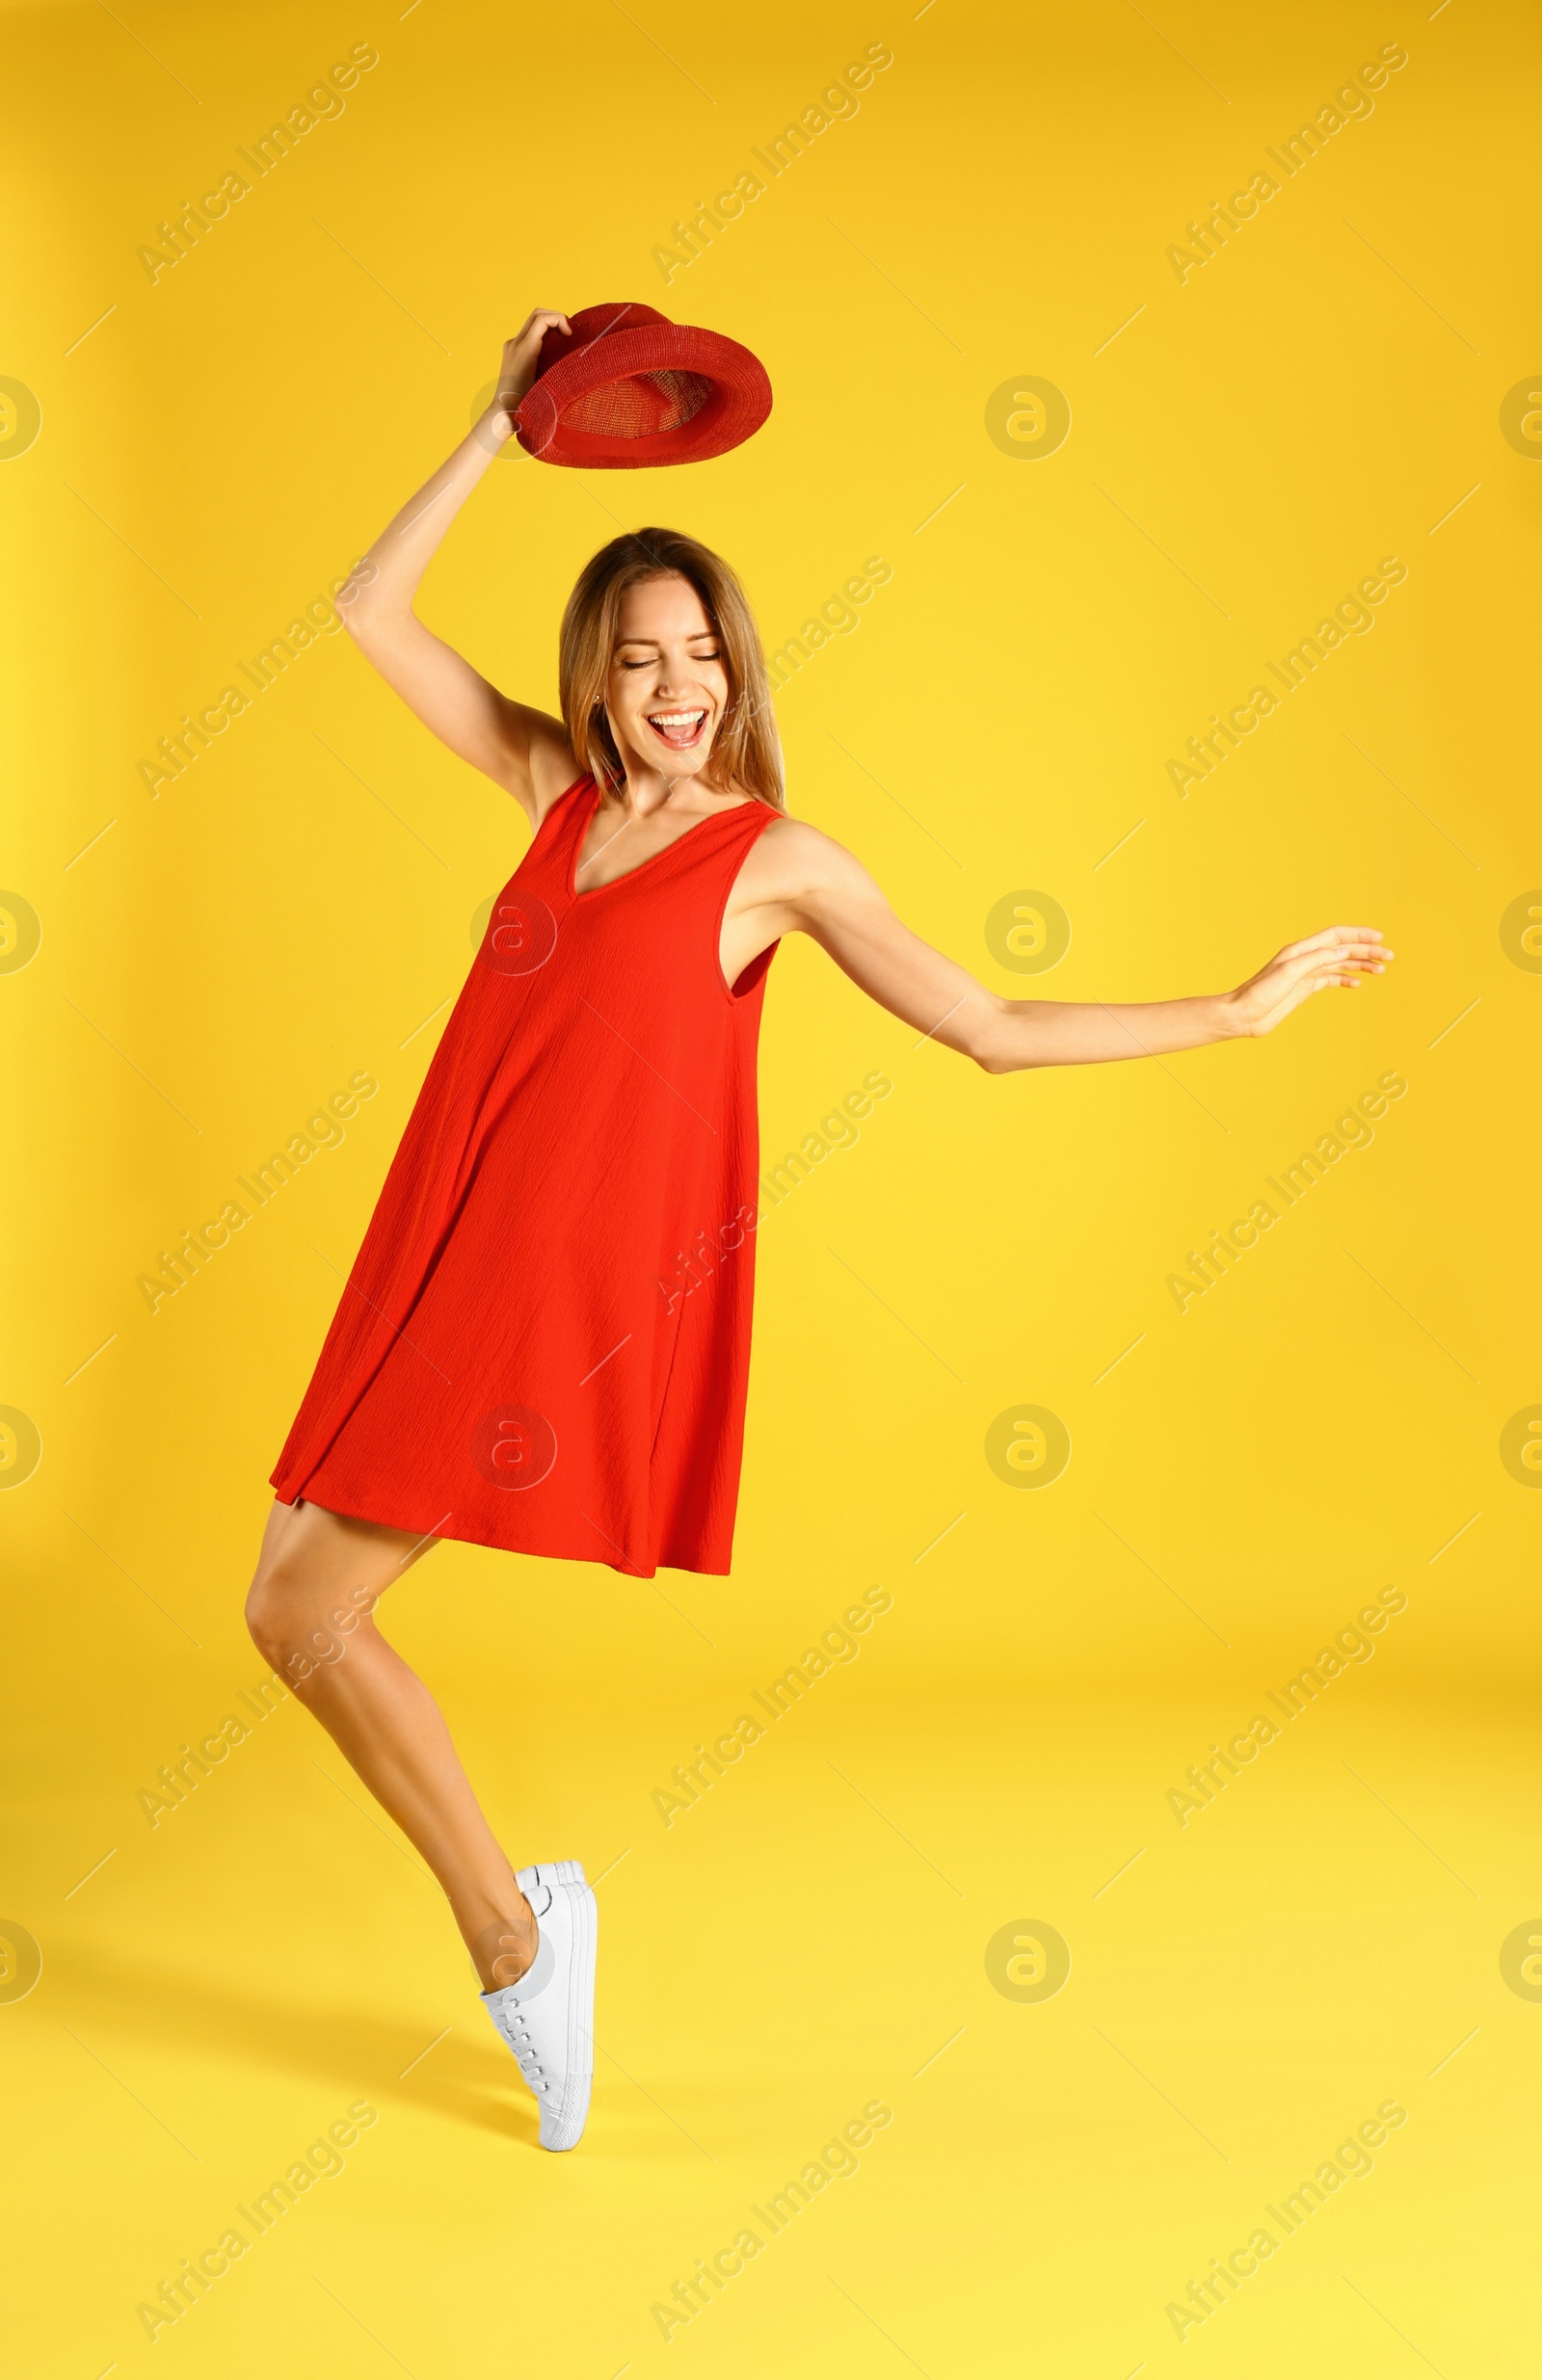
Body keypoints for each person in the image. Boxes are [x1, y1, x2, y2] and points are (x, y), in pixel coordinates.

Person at [245, 308, 1392, 2153]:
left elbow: (990, 1030)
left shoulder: (770, 858)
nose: (676, 684)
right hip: (441, 1240)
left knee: (296, 1603)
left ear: (735, 667)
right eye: (640, 657)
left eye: (701, 651)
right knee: (296, 1608)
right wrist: (495, 432)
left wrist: (1234, 1010)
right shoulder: (556, 799)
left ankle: (516, 1935)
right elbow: (369, 614)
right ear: (597, 678)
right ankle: (527, 1925)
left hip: (552, 1294)